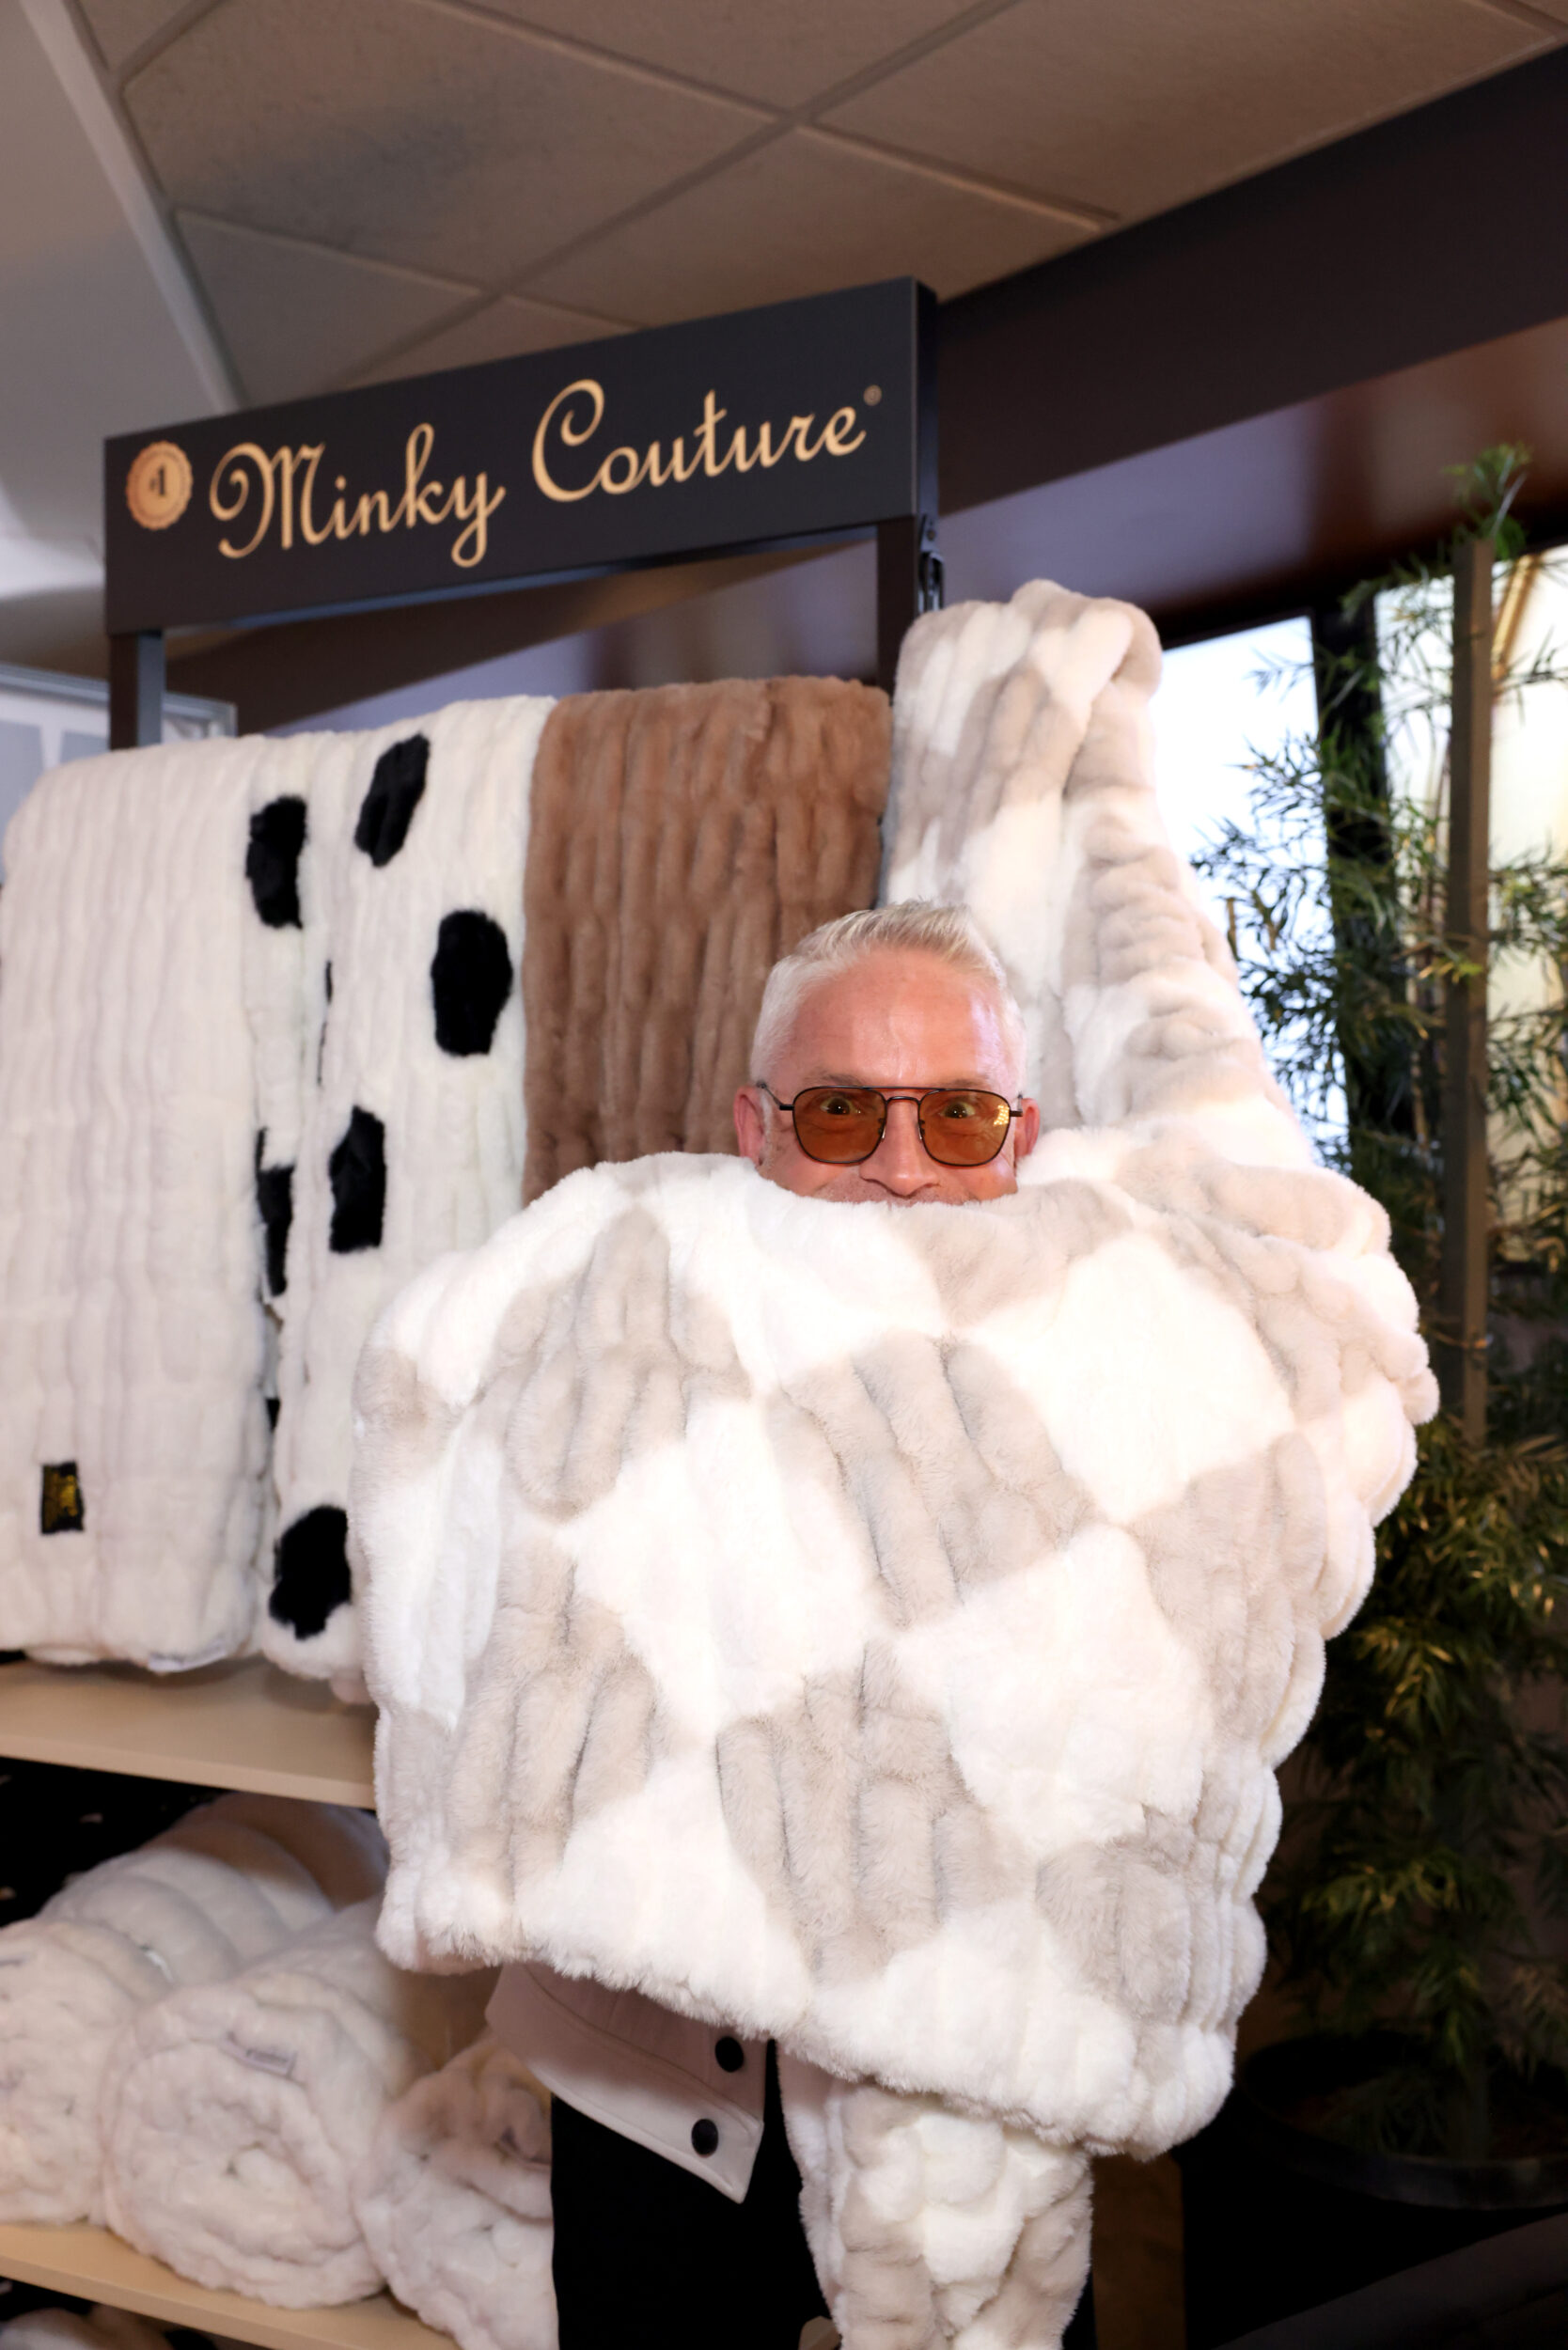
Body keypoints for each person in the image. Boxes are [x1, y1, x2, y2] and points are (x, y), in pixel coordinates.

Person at [487, 903, 1041, 2350]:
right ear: (756, 1126)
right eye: (845, 1113)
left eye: (961, 1117)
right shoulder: (592, 1355)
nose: (906, 1171)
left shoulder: (1108, 1413)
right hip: (671, 2094)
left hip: (983, 2105)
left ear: (1022, 1136)